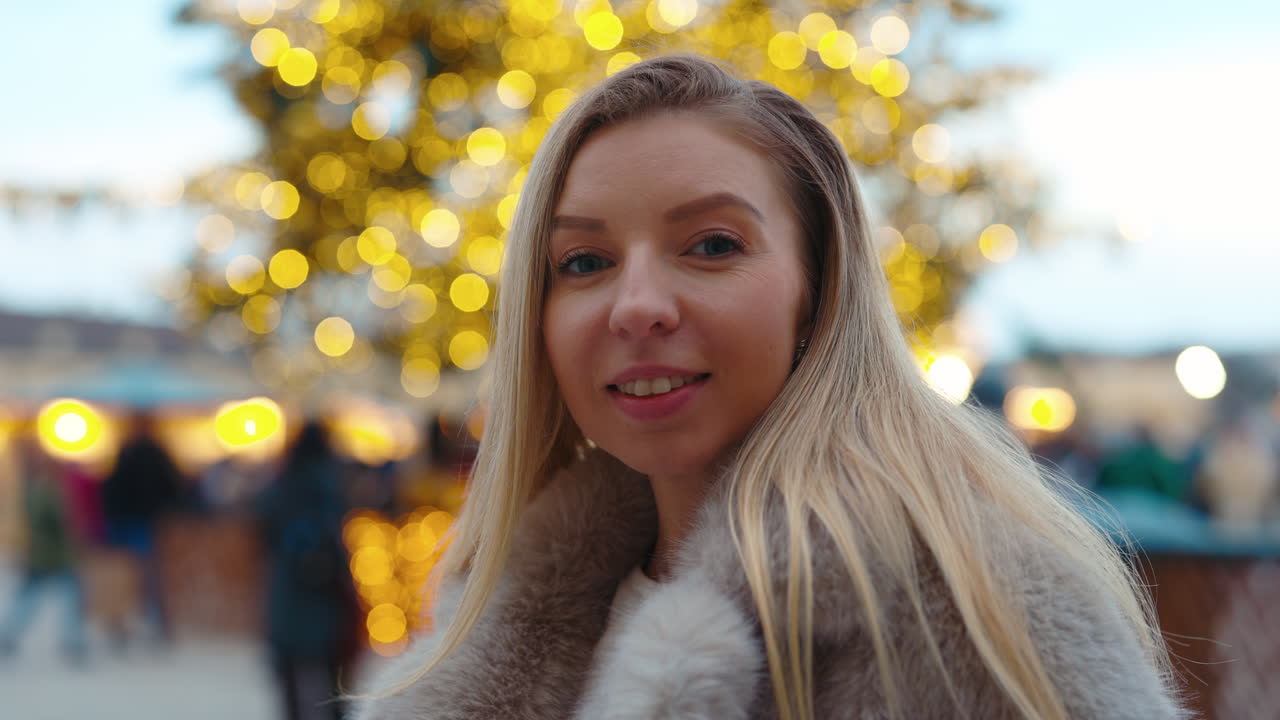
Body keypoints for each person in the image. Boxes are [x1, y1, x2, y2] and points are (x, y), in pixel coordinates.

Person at [355, 54, 1188, 719]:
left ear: (816, 289)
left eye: (712, 245)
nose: (637, 306)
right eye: (583, 262)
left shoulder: (973, 605)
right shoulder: (508, 610)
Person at [255, 420, 360, 720]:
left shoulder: (280, 483)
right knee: (332, 677)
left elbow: (263, 529)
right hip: (325, 593)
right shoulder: (330, 483)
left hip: (286, 590)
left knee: (289, 674)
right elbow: (337, 535)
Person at [0, 438, 89, 664]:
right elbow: (54, 524)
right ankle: (70, 641)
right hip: (50, 555)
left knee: (38, 598)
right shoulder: (43, 492)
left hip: (48, 555)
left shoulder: (38, 491)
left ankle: (69, 641)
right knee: (60, 598)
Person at [100, 411, 183, 649]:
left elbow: (113, 488)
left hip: (138, 522)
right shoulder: (146, 452)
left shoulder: (136, 452)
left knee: (142, 576)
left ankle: (144, 623)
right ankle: (137, 623)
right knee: (140, 576)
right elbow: (172, 486)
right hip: (137, 522)